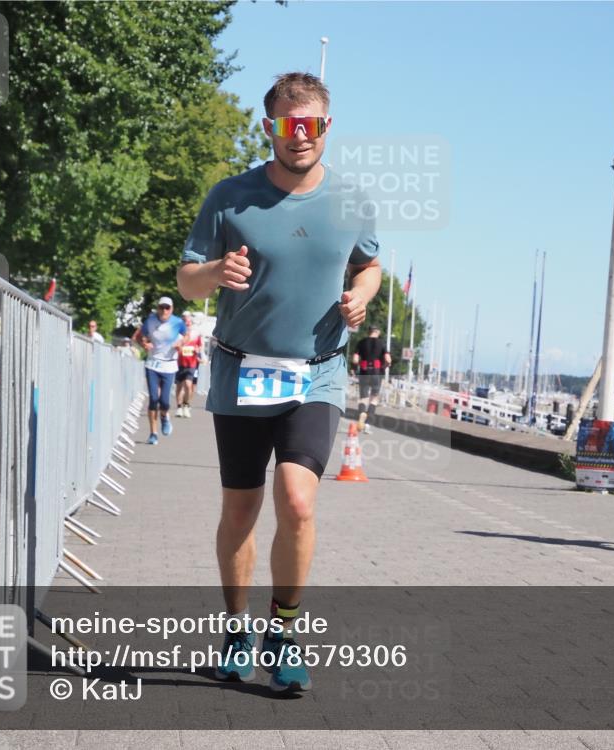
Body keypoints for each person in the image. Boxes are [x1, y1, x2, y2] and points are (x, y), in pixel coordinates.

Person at [177, 72, 380, 693]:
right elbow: (187, 281)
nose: (300, 137)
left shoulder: (352, 200)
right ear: (271, 127)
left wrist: (361, 297)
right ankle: (237, 628)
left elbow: (370, 263)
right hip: (242, 370)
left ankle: (283, 632)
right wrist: (216, 268)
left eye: (312, 125)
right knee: (241, 508)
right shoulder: (230, 197)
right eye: (289, 126)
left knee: (297, 500)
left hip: (316, 373)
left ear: (326, 128)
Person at [132, 296, 186, 445]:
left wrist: (180, 344)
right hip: (152, 364)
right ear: (158, 308)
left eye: (167, 308)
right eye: (161, 307)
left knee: (164, 401)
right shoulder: (150, 321)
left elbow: (186, 336)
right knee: (153, 399)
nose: (164, 310)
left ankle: (164, 417)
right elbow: (137, 336)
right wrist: (144, 344)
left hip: (169, 365)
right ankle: (153, 433)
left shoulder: (178, 322)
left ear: (172, 309)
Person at [352, 324, 390, 434]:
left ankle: (362, 413)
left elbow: (355, 359)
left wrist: (354, 369)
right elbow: (388, 359)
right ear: (377, 332)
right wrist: (384, 367)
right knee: (374, 399)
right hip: (377, 373)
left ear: (369, 332)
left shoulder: (361, 342)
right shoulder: (382, 343)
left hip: (364, 372)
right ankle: (368, 424)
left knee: (363, 398)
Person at [175, 311, 204, 418]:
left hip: (191, 363)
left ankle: (186, 405)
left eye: (188, 322)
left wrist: (197, 350)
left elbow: (199, 346)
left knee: (188, 385)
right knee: (179, 386)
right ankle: (179, 407)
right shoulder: (178, 333)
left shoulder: (196, 334)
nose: (187, 323)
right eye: (185, 322)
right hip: (179, 362)